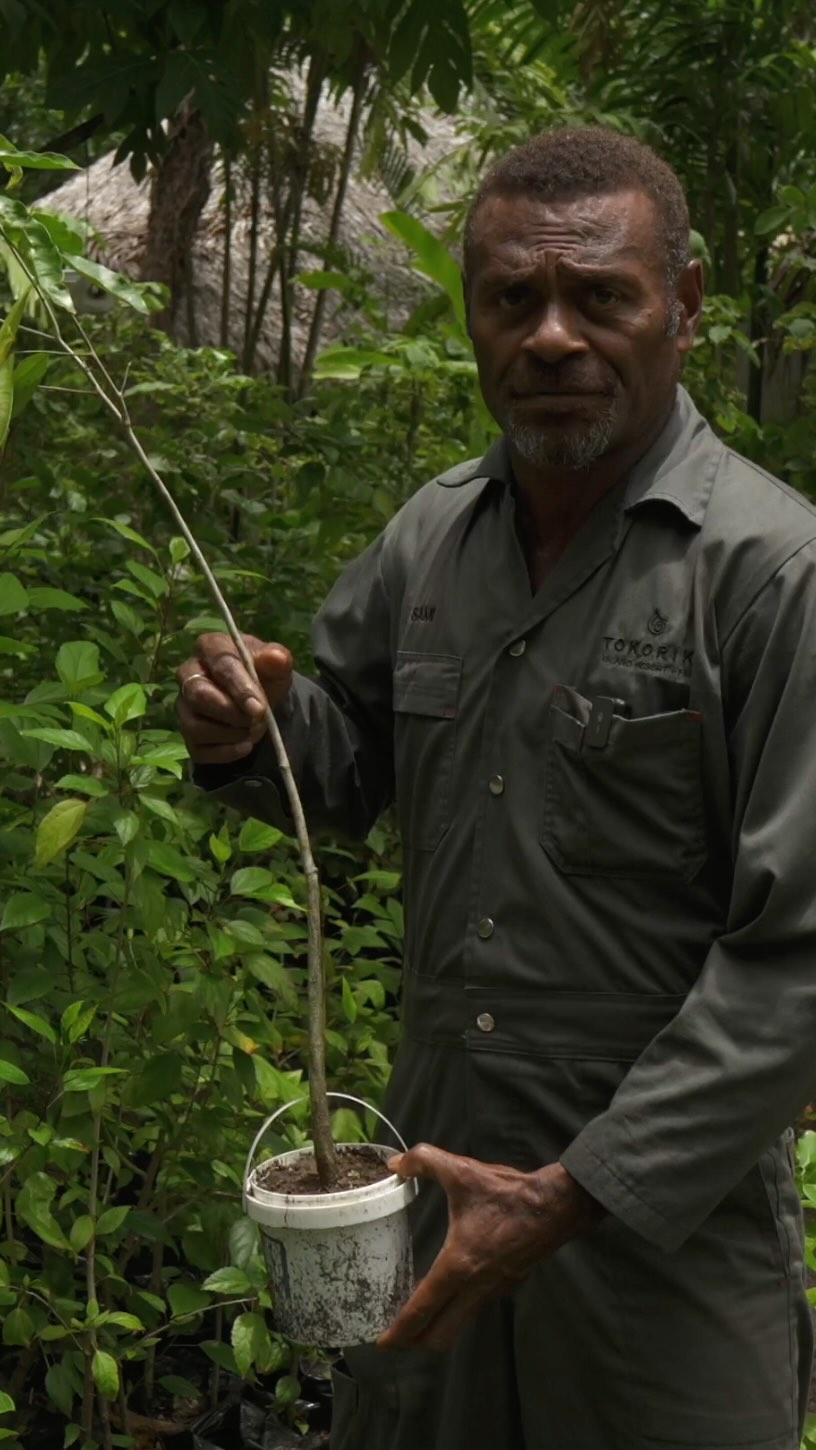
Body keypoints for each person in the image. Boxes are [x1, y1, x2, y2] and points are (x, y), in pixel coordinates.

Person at [177, 127, 816, 1450]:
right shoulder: (431, 535)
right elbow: (340, 761)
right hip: (430, 1200)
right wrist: (253, 723)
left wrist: (579, 1188)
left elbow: (794, 961)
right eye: (511, 298)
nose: (552, 336)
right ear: (470, 311)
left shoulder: (772, 574)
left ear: (684, 308)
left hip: (664, 1248)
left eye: (603, 296)